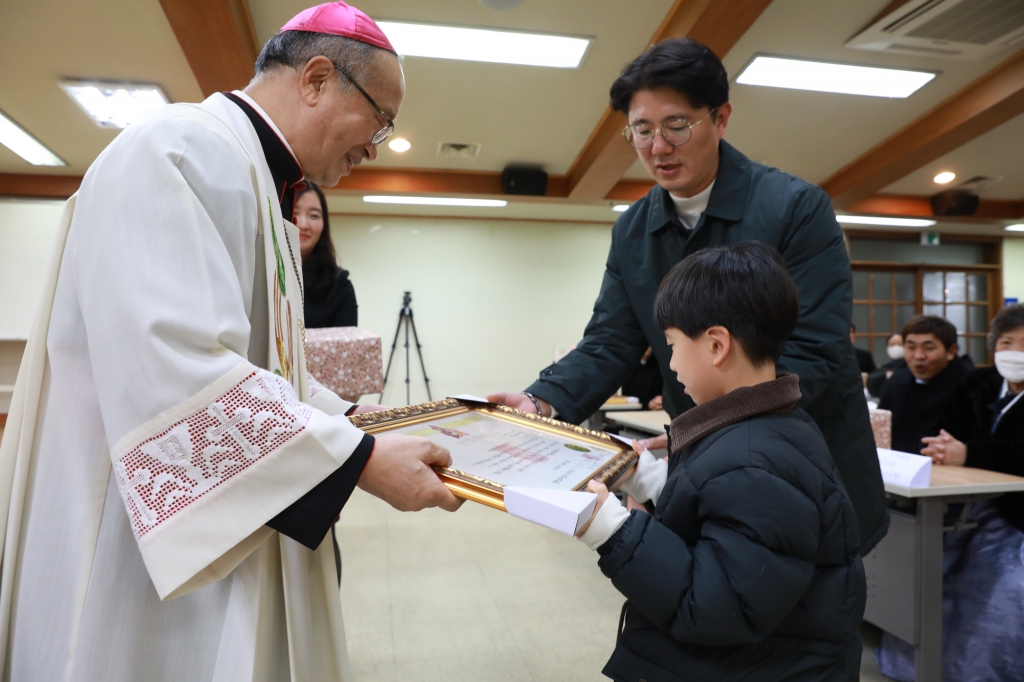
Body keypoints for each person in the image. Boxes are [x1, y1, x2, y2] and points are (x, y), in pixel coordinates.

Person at [0, 3, 462, 680]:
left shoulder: (265, 189)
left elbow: (266, 368)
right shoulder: (181, 149)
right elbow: (174, 368)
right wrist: (357, 460)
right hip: (128, 538)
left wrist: (352, 423)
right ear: (316, 79)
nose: (376, 144)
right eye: (380, 121)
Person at [489, 37, 887, 553]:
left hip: (805, 456)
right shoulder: (634, 229)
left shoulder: (796, 208)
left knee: (803, 615)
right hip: (704, 458)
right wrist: (543, 402)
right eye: (642, 130)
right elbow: (611, 340)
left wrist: (707, 429)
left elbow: (814, 351)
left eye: (677, 125)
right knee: (707, 601)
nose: (658, 147)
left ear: (720, 119)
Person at [576, 242, 865, 681]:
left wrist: (612, 530)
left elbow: (718, 607)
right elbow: (720, 513)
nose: (670, 364)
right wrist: (648, 478)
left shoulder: (752, 459)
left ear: (715, 345)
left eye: (672, 345)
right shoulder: (768, 425)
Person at [876, 304, 1024, 681]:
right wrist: (943, 446)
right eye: (1007, 342)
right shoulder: (982, 383)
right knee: (925, 569)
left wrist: (969, 453)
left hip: (1014, 518)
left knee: (994, 587)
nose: (1016, 352)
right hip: (968, 506)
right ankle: (917, 661)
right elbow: (949, 429)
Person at [878, 315, 970, 453]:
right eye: (911, 347)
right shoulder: (896, 382)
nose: (919, 356)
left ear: (951, 351)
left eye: (928, 348)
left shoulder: (970, 387)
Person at [296, 181, 359, 328]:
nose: (303, 224)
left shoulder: (340, 284)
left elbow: (347, 347)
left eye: (314, 215)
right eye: (294, 213)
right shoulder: (261, 275)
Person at [867, 333, 904, 398]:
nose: (896, 347)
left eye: (900, 344)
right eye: (892, 345)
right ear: (887, 348)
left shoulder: (912, 368)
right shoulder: (882, 369)